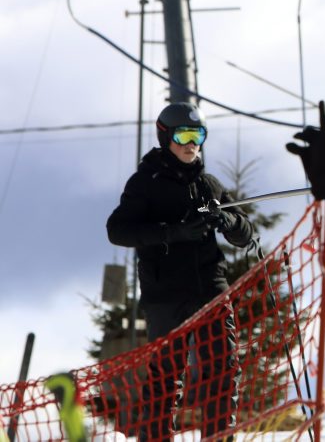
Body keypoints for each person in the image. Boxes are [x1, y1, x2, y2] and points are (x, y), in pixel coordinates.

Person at [107, 101, 253, 441]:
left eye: (199, 135)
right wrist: (172, 232)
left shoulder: (209, 185)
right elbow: (117, 230)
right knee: (166, 375)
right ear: (165, 137)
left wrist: (227, 220)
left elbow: (245, 235)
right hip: (165, 295)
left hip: (211, 291)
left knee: (223, 369)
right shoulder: (145, 183)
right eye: (184, 135)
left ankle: (219, 437)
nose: (192, 144)